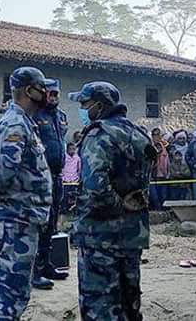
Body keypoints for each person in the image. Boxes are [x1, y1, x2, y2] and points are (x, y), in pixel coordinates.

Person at [70, 81, 153, 321]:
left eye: (85, 104)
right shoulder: (139, 133)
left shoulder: (99, 135)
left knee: (100, 305)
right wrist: (128, 206)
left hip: (100, 235)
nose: (83, 109)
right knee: (129, 301)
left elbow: (96, 189)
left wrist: (118, 206)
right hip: (132, 232)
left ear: (99, 105)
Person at [0, 67, 52, 321]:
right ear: (28, 90)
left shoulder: (25, 122)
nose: (46, 93)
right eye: (42, 88)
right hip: (14, 219)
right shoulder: (15, 122)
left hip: (22, 217)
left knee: (16, 290)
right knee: (12, 292)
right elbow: (5, 169)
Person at [33, 78, 69, 287]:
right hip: (41, 178)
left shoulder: (60, 117)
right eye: (49, 94)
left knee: (52, 223)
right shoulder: (35, 116)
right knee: (41, 222)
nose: (53, 98)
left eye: (56, 94)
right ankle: (34, 271)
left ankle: (46, 264)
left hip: (57, 177)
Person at [149, 127, 170, 210]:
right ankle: (158, 212)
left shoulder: (164, 147)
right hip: (152, 176)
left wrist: (168, 172)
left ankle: (164, 214)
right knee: (155, 197)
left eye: (158, 135)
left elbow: (167, 160)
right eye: (155, 135)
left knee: (163, 196)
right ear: (152, 136)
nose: (157, 137)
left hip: (163, 175)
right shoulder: (149, 146)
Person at [61, 142, 81, 214]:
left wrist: (77, 177)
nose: (72, 151)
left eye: (74, 149)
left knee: (74, 197)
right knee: (64, 197)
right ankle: (64, 210)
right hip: (65, 180)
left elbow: (79, 169)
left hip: (74, 180)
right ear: (67, 149)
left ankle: (73, 211)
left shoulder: (77, 158)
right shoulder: (64, 157)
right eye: (70, 149)